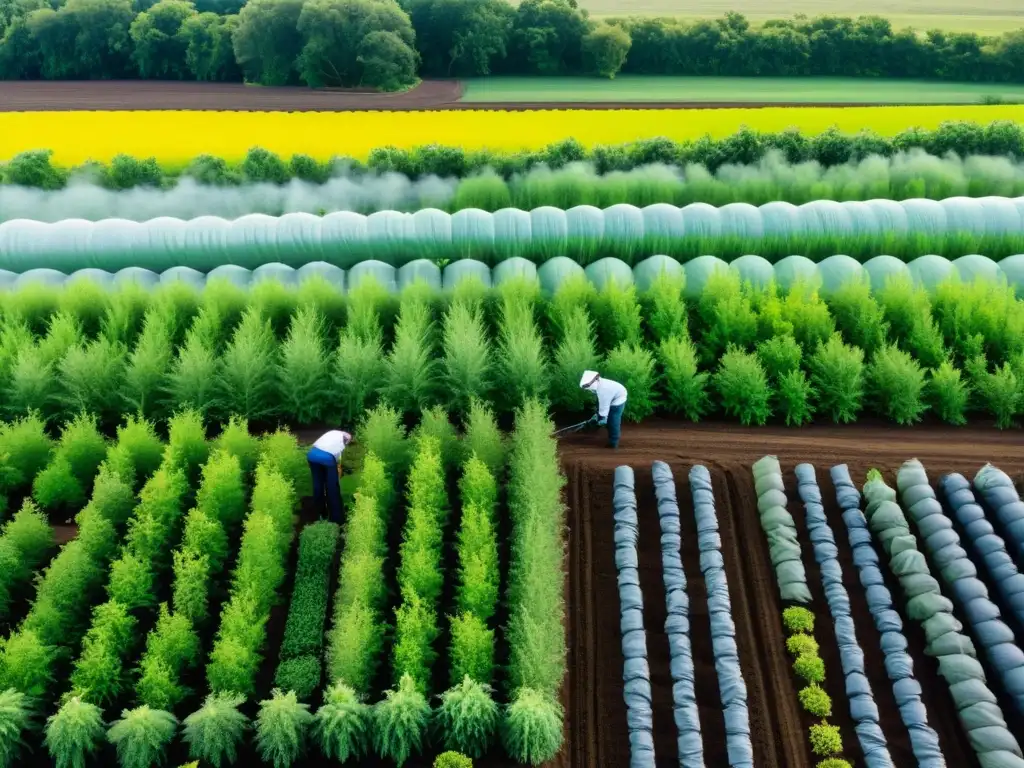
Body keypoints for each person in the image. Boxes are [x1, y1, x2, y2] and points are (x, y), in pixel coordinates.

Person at [307, 429, 352, 522]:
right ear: (345, 439)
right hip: (326, 458)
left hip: (312, 455)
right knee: (332, 488)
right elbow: (337, 460)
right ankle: (337, 519)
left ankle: (319, 514)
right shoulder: (341, 441)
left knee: (317, 485)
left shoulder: (331, 433)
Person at [579, 370, 628, 448]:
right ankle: (592, 429)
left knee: (613, 421)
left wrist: (602, 418)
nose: (586, 388)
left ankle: (613, 443)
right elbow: (601, 403)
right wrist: (597, 415)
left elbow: (604, 407)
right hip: (611, 395)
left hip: (618, 399)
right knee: (601, 416)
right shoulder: (598, 384)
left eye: (587, 386)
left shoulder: (603, 390)